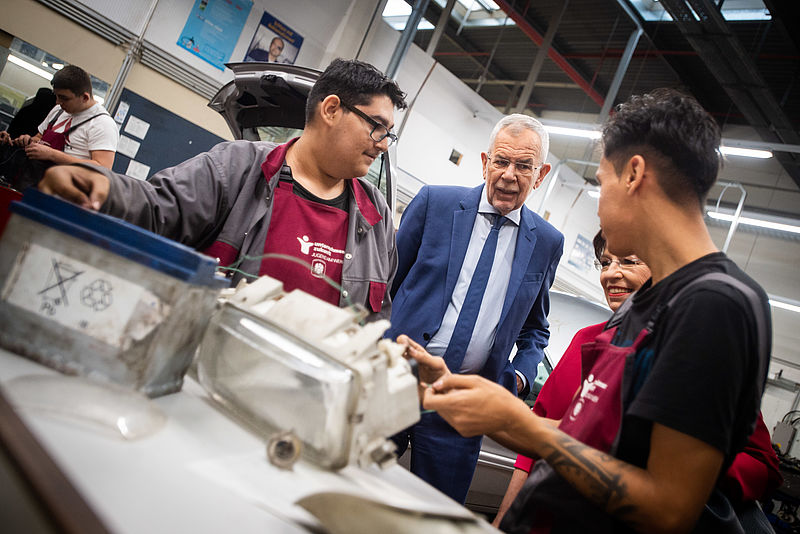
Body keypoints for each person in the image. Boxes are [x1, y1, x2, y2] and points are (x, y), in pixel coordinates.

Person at [401, 88, 773, 533]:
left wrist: (522, 423)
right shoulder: (647, 305)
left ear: (634, 174)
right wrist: (503, 414)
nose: (598, 204)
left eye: (600, 183)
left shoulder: (716, 305)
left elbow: (669, 508)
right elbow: (600, 441)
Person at [37, 58, 407, 321]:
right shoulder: (238, 169)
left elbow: (375, 325)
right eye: (377, 126)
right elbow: (156, 207)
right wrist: (103, 185)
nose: (383, 143)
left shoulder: (376, 221)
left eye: (388, 133)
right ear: (330, 109)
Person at [492, 231, 781, 530]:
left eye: (629, 261)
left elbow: (762, 463)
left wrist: (687, 470)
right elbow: (538, 443)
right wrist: (503, 518)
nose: (612, 274)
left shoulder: (694, 346)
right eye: (605, 263)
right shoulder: (585, 340)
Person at [386, 113, 564, 503]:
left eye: (523, 166)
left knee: (434, 518)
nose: (508, 175)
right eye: (501, 161)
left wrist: (517, 378)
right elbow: (385, 284)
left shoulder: (547, 242)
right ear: (485, 162)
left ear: (541, 173)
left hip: (462, 406)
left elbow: (536, 330)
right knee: (342, 483)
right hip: (393, 382)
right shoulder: (435, 203)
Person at [2, 65, 117, 190]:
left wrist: (52, 155)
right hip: (31, 182)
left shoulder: (103, 124)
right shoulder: (58, 111)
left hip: (63, 194)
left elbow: (102, 169)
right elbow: (40, 137)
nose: (57, 102)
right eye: (56, 96)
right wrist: (28, 141)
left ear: (85, 97)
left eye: (64, 98)